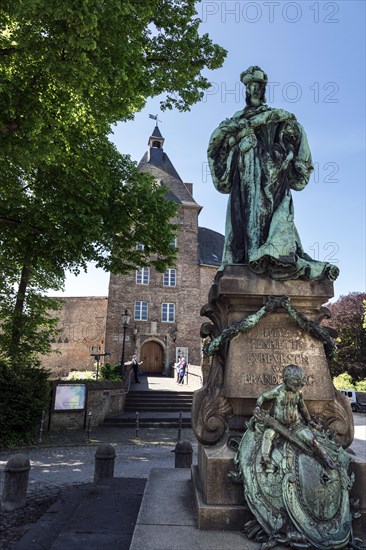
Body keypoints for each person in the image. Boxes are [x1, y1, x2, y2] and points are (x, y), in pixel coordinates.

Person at [207, 65, 339, 281]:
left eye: (258, 86)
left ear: (263, 89)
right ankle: (251, 257)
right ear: (246, 90)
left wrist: (285, 155)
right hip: (245, 176)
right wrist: (238, 144)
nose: (255, 91)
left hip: (273, 176)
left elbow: (294, 136)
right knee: (246, 218)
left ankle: (268, 257)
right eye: (251, 87)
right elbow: (218, 148)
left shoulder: (277, 117)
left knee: (273, 216)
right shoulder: (236, 120)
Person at [254, 364, 336, 470]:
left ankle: (325, 457)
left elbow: (303, 408)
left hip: (295, 425)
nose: (297, 388)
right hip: (278, 425)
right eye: (295, 386)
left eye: (299, 386)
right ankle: (265, 457)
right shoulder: (277, 391)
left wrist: (309, 420)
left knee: (312, 440)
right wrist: (257, 406)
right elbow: (263, 397)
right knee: (268, 434)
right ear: (286, 380)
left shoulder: (298, 393)